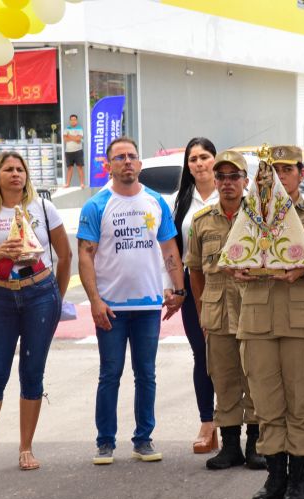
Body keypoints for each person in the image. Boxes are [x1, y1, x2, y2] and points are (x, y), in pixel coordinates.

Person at [228, 146, 304, 499]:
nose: (280, 175)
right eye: (272, 170)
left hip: (300, 322)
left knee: (300, 403)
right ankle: (275, 476)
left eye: (287, 169)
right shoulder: (250, 213)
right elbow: (232, 256)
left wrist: (303, 269)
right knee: (265, 403)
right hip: (257, 321)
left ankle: (299, 479)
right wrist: (235, 269)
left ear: (300, 172)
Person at [0, 151, 72, 477]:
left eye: (20, 169)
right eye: (9, 169)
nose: (16, 174)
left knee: (32, 374)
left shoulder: (43, 209)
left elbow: (65, 254)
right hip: (2, 297)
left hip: (40, 295)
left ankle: (26, 449)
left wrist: (56, 299)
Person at [77, 136, 185, 465]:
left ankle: (143, 439)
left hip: (148, 305)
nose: (127, 162)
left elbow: (169, 249)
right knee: (110, 373)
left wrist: (178, 290)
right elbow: (85, 255)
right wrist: (95, 301)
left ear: (139, 163)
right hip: (111, 307)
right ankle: (105, 442)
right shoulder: (96, 205)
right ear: (108, 165)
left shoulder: (156, 202)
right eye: (120, 157)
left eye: (132, 156)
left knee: (146, 374)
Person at [184, 150, 265, 471]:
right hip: (217, 314)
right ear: (214, 181)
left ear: (246, 181)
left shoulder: (261, 218)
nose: (228, 183)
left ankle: (256, 444)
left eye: (235, 177)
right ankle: (230, 445)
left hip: (254, 311)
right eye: (222, 177)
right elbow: (195, 272)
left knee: (256, 377)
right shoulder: (201, 222)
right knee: (224, 379)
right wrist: (204, 311)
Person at [170, 138, 219, 454]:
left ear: (216, 159)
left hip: (230, 282)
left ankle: (238, 423)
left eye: (204, 157)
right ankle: (207, 423)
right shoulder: (182, 198)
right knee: (202, 354)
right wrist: (175, 286)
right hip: (193, 284)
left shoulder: (234, 192)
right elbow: (172, 247)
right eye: (193, 159)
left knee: (236, 356)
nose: (199, 164)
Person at [64, 114, 85, 188]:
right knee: (70, 168)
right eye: (71, 120)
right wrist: (75, 138)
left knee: (80, 167)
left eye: (74, 120)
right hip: (68, 151)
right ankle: (67, 184)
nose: (73, 121)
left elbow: (79, 139)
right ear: (70, 121)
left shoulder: (80, 128)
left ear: (76, 120)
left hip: (78, 151)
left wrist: (69, 136)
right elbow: (65, 139)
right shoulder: (66, 128)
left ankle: (82, 183)